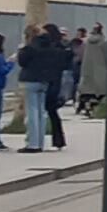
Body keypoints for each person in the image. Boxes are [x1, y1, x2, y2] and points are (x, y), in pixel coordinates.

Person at [17, 24, 72, 153]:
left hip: (30, 80)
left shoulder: (30, 47)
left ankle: (33, 143)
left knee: (32, 112)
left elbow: (22, 62)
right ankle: (40, 142)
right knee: (41, 112)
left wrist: (21, 51)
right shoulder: (51, 46)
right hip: (45, 81)